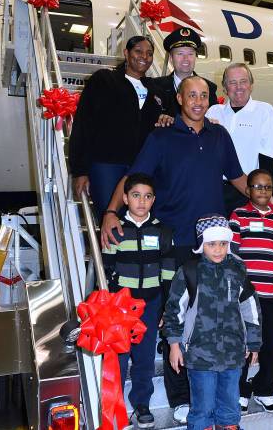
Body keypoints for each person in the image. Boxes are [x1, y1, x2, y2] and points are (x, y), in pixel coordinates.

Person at [100, 76, 250, 424]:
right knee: (178, 324)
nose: (198, 101)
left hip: (212, 245)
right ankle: (181, 397)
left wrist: (269, 202)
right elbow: (134, 178)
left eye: (203, 96)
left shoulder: (219, 136)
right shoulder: (161, 137)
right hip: (175, 245)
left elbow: (239, 178)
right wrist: (111, 212)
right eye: (191, 95)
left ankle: (216, 395)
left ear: (210, 101)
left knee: (212, 322)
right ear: (179, 98)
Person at [164, 214, 262, 430]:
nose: (218, 249)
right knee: (203, 405)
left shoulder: (238, 271)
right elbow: (174, 311)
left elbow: (251, 309)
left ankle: (229, 426)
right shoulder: (189, 272)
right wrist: (174, 344)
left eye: (223, 243)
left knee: (230, 401)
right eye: (211, 244)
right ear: (201, 244)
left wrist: (253, 343)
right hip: (200, 354)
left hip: (233, 353)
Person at [101, 173, 175, 429]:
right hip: (121, 305)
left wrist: (166, 307)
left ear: (153, 200)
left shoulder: (163, 232)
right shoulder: (115, 230)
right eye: (135, 195)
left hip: (151, 303)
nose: (141, 201)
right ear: (125, 198)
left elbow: (167, 275)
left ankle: (141, 404)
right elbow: (107, 271)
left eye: (147, 196)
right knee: (119, 356)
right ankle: (115, 404)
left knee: (144, 356)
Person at [69, 35, 171, 220]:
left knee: (140, 222)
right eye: (138, 51)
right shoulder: (104, 80)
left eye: (149, 54)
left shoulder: (157, 90)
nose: (144, 57)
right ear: (126, 53)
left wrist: (168, 117)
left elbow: (172, 118)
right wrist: (79, 171)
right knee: (110, 218)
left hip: (143, 167)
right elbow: (84, 124)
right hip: (107, 165)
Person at [229, 169, 273, 414]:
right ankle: (240, 392)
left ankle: (264, 389)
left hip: (269, 294)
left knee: (272, 343)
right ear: (248, 190)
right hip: (245, 296)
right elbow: (231, 255)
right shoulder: (238, 215)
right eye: (257, 186)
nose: (263, 191)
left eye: (267, 187)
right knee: (243, 345)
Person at [206, 63, 273, 215]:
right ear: (225, 88)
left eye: (243, 81)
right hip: (211, 190)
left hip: (244, 192)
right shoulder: (213, 111)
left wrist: (266, 195)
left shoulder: (265, 111)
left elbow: (267, 158)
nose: (238, 87)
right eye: (232, 82)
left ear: (251, 85)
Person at [154, 27, 218, 117]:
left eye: (190, 54)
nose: (186, 59)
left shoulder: (209, 88)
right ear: (171, 59)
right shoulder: (156, 87)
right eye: (180, 54)